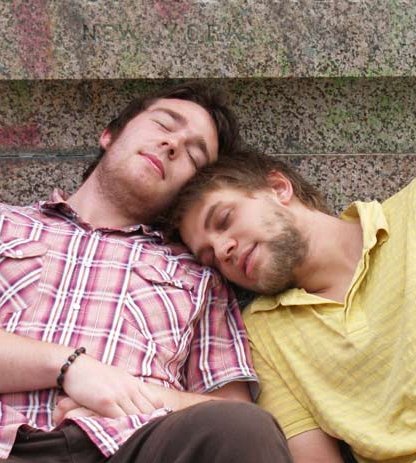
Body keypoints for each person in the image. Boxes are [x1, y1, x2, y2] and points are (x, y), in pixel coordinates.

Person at [0, 85, 292, 462]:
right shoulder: (6, 223)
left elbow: (229, 409)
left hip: (129, 447)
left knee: (244, 428)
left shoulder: (199, 276)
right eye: (163, 125)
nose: (173, 145)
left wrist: (137, 400)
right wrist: (70, 366)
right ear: (110, 134)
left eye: (194, 154)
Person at [174, 150, 416, 463]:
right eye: (210, 258)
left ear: (278, 188)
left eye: (224, 220)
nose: (223, 250)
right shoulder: (261, 333)